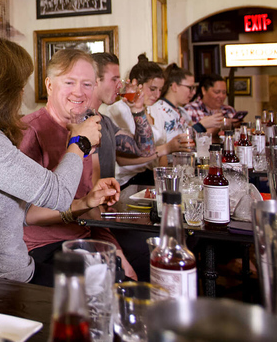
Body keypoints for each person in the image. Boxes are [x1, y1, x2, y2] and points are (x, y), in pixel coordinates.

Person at [0, 37, 116, 292]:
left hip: (19, 270)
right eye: (19, 86)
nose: (22, 94)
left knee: (103, 286)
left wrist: (85, 203)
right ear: (0, 90)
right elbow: (59, 194)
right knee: (100, 294)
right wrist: (80, 142)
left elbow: (23, 211)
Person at [20, 49, 137, 283]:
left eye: (87, 84)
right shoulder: (30, 131)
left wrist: (116, 250)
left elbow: (90, 204)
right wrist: (85, 203)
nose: (79, 92)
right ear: (49, 85)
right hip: (42, 248)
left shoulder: (88, 129)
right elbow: (28, 215)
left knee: (143, 268)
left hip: (85, 237)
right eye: (69, 82)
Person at [106, 54, 192, 187]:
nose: (157, 95)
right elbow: (122, 160)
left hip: (151, 176)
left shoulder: (155, 109)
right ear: (136, 85)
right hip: (127, 181)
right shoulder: (118, 110)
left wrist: (162, 181)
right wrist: (167, 148)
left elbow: (161, 156)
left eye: (160, 90)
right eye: (152, 89)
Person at [89, 52, 154, 184]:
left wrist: (137, 110)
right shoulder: (77, 120)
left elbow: (146, 150)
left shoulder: (105, 121)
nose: (120, 85)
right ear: (95, 81)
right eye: (114, 79)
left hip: (107, 201)